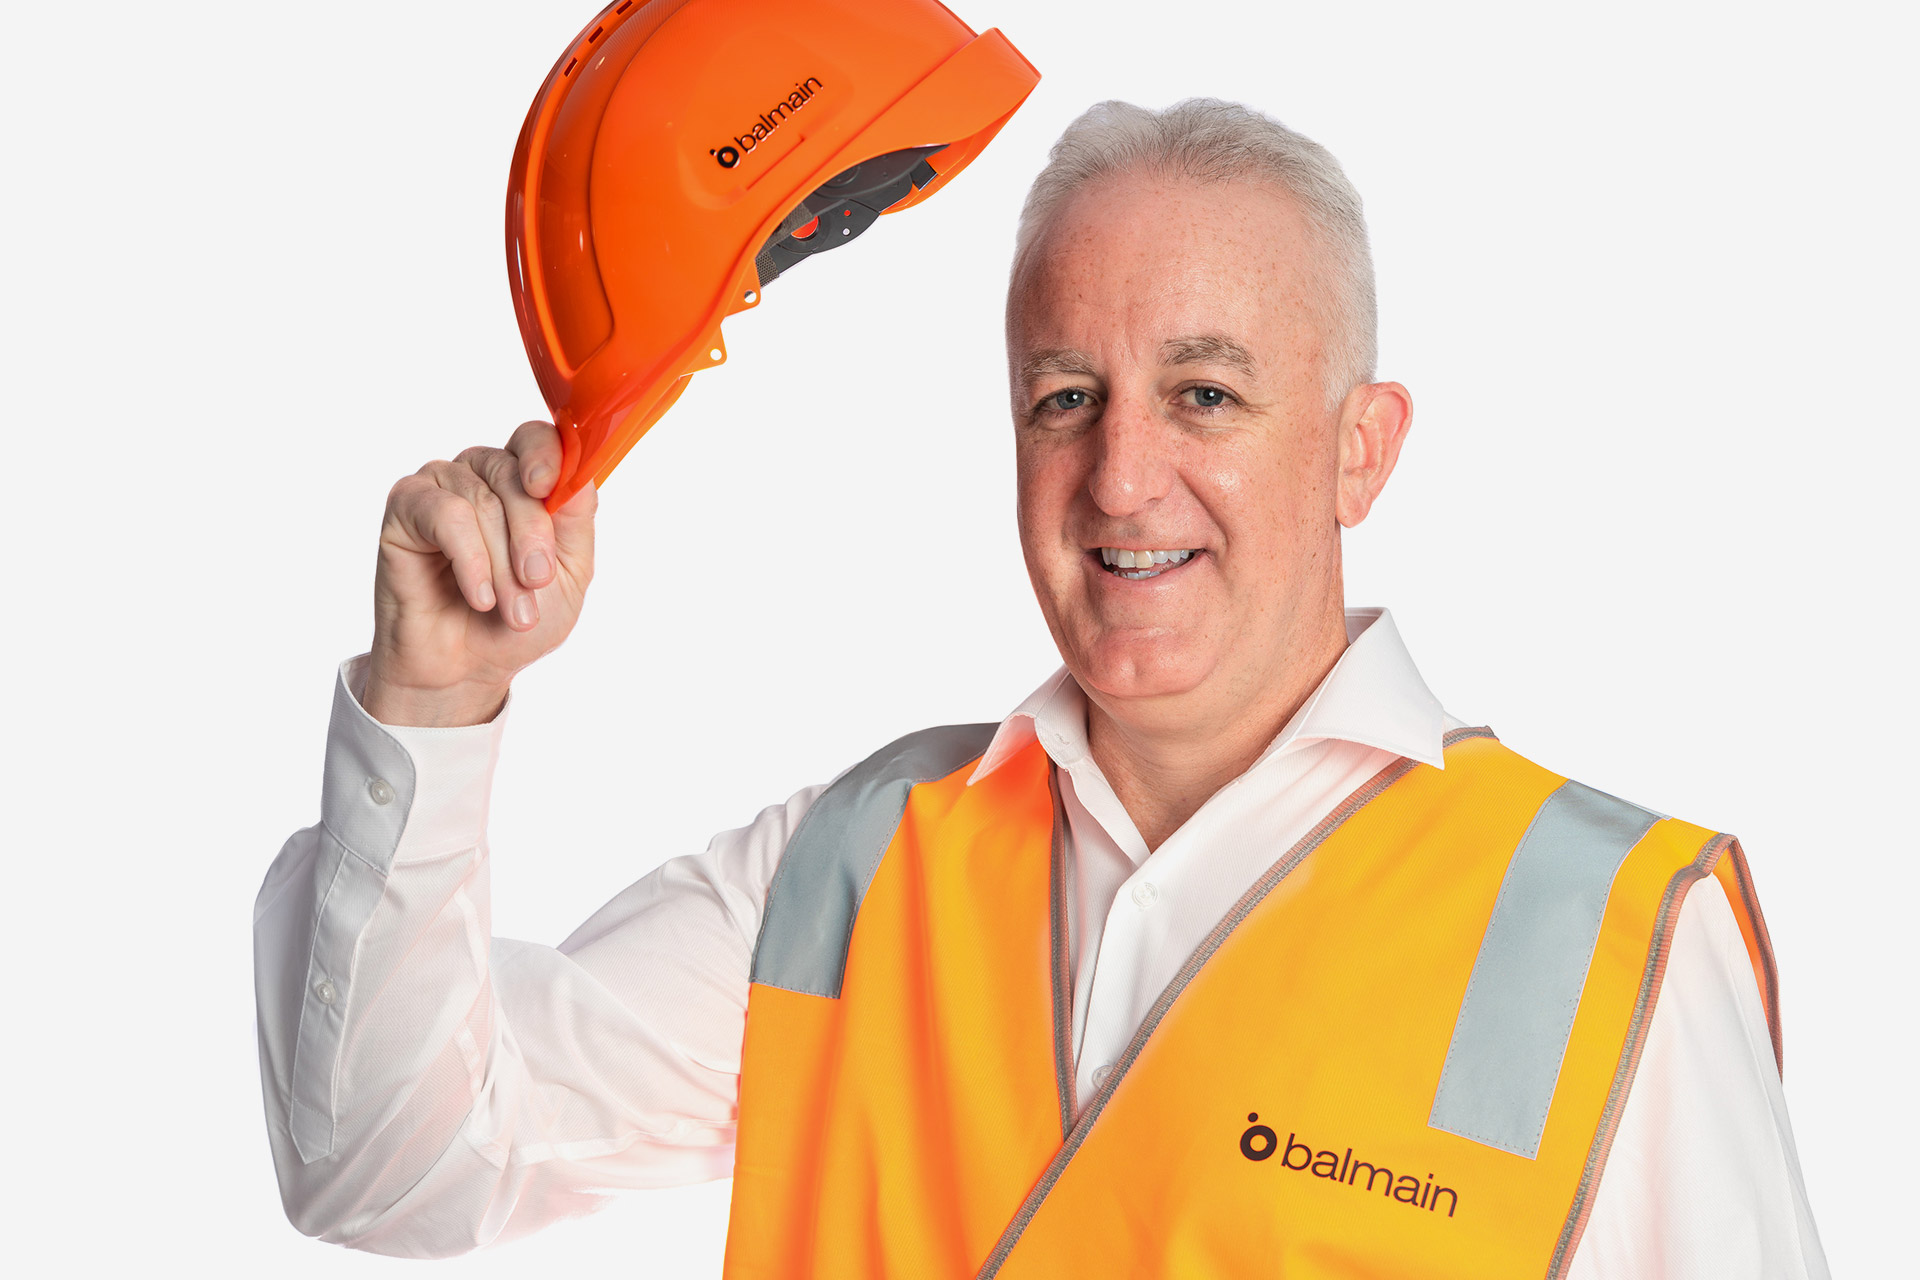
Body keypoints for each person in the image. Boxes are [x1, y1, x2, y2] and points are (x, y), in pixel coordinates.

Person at [253, 99, 1828, 1277]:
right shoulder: (852, 870)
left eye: (1204, 393)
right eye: (1066, 398)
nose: (1121, 477)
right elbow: (388, 1165)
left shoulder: (1605, 934)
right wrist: (429, 706)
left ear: (1362, 449)